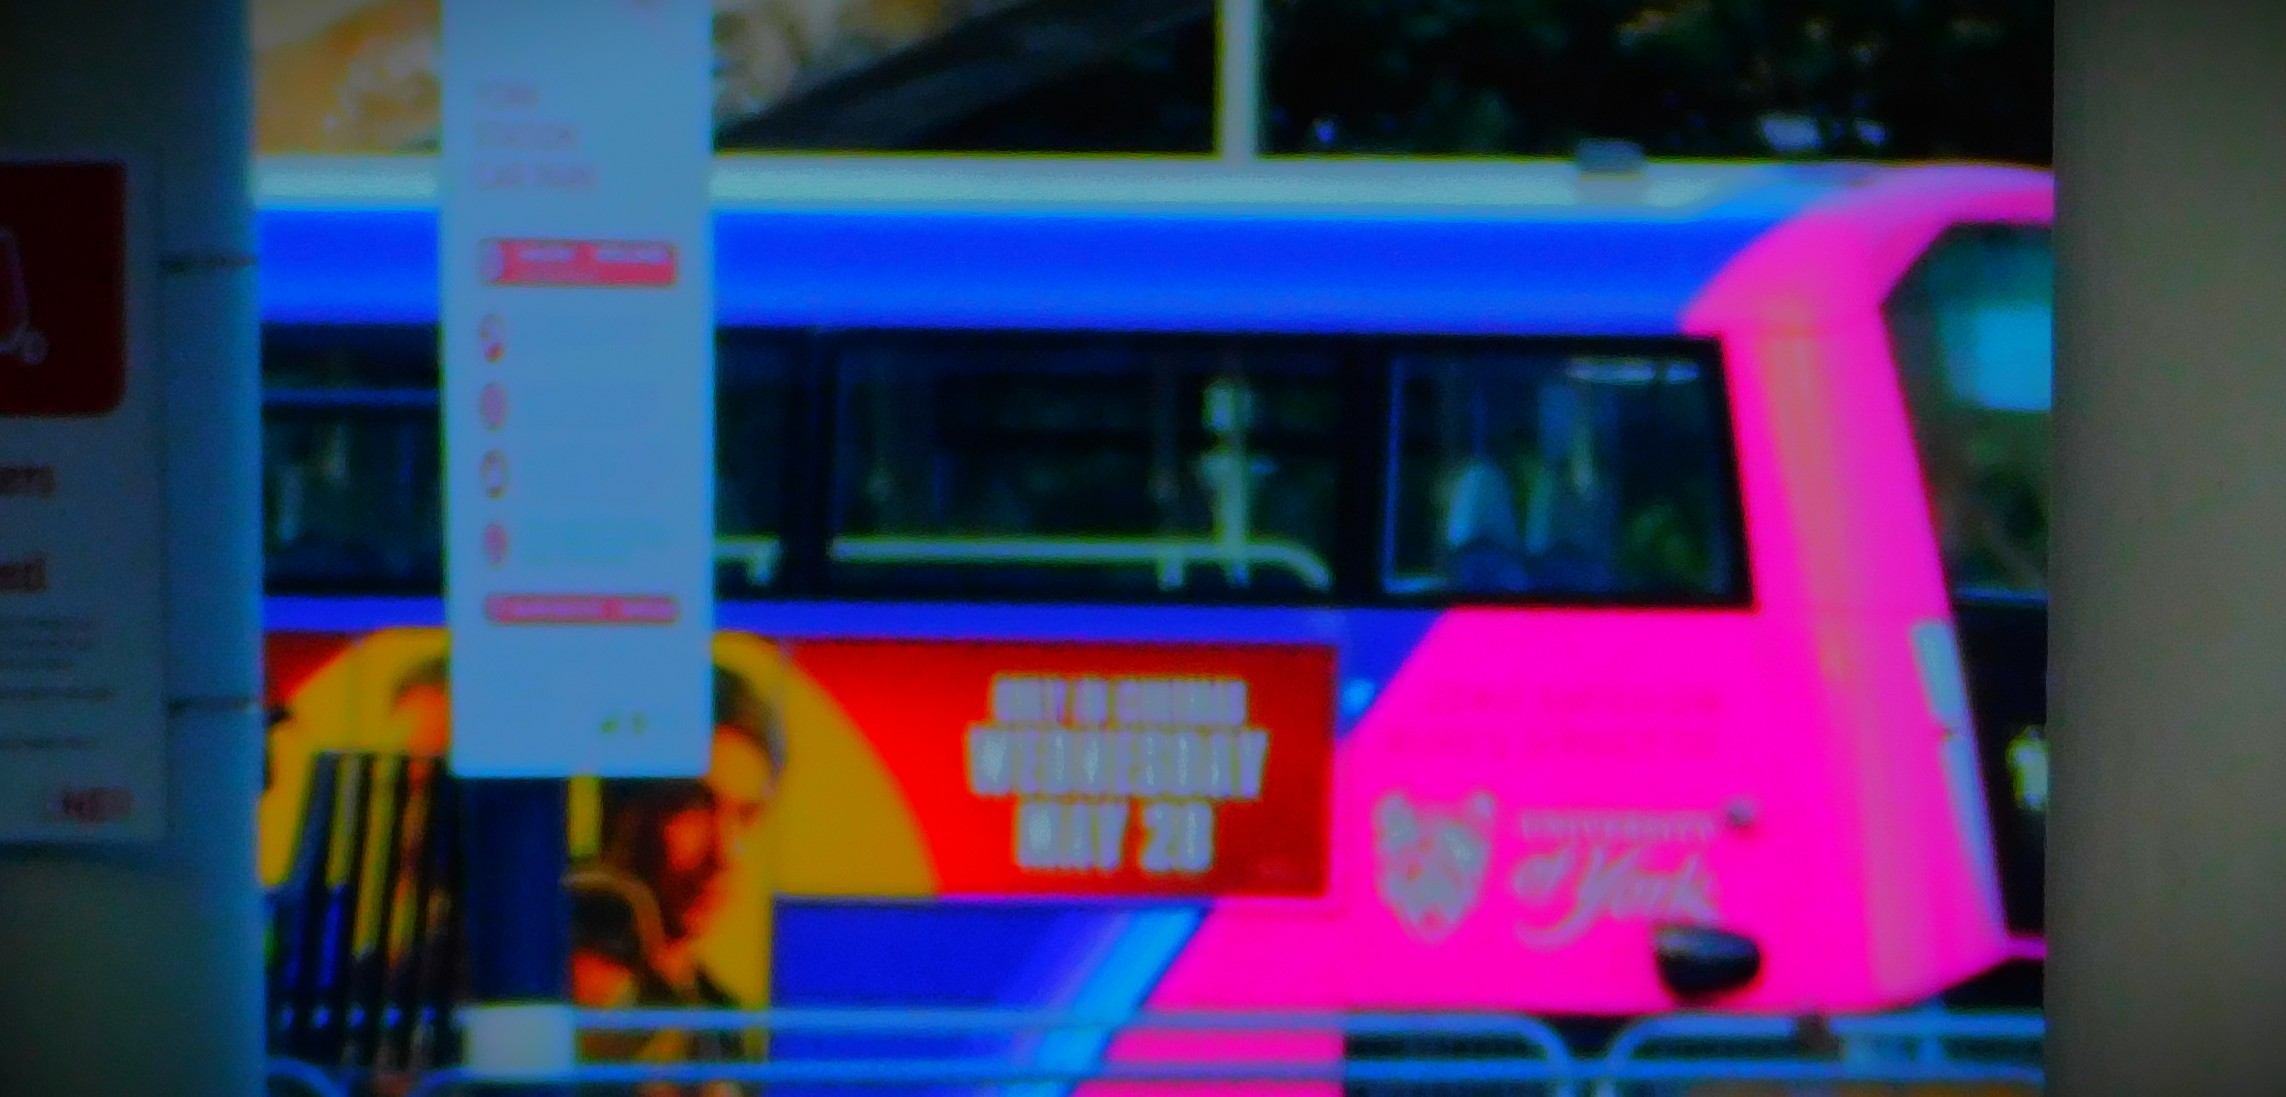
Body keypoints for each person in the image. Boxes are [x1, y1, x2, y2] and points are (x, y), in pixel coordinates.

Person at [570, 665, 787, 1097]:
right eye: (694, 807)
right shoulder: (530, 974)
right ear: (628, 809)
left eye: (746, 815)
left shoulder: (726, 1025)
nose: (726, 853)